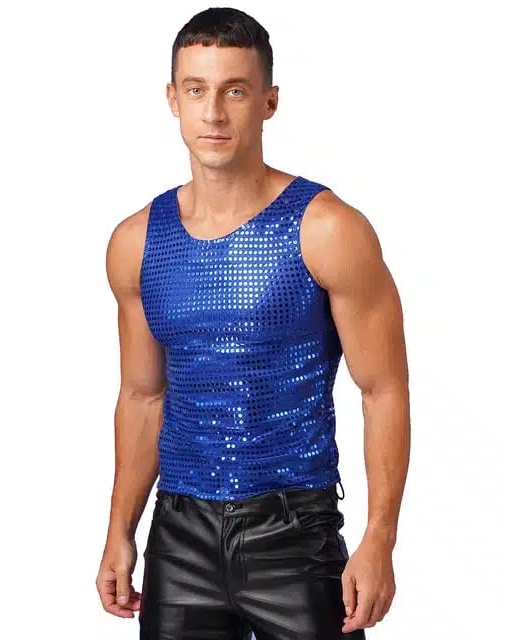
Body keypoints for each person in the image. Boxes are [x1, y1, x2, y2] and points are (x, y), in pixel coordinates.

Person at [96, 7, 410, 639]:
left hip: (294, 533)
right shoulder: (136, 242)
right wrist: (118, 531)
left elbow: (383, 390)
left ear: (269, 101)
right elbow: (142, 395)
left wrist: (379, 540)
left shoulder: (327, 229)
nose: (213, 113)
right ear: (173, 99)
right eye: (197, 90)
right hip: (179, 536)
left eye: (234, 91)